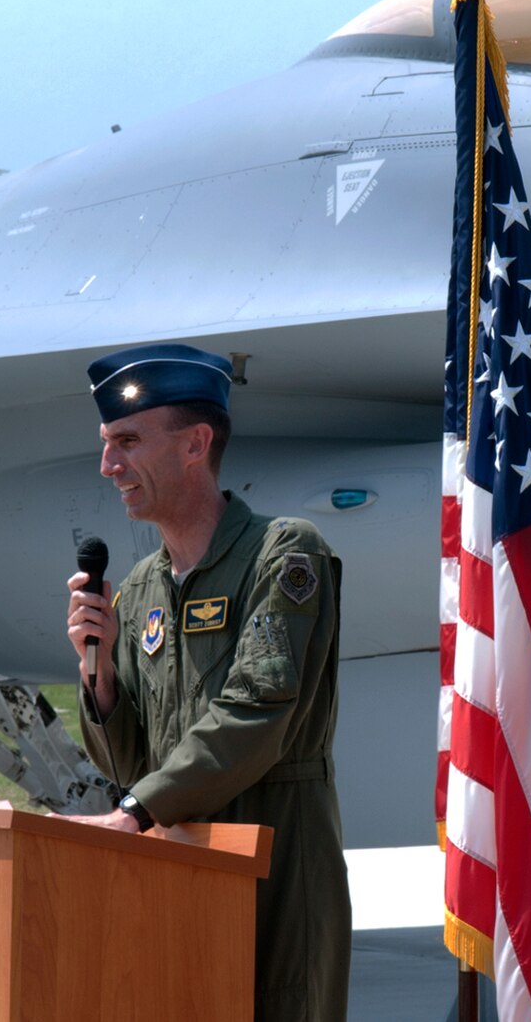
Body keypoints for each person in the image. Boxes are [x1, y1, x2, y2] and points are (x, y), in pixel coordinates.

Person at [64, 342, 350, 1022]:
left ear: (195, 444)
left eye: (127, 441)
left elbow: (257, 715)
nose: (108, 466)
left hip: (276, 878)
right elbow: (132, 763)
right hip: (179, 878)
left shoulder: (283, 553)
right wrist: (97, 672)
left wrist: (136, 811)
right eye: (106, 445)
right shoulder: (137, 593)